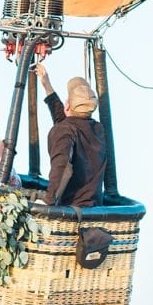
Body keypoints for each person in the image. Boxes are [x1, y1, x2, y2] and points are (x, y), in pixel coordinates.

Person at [33, 63, 107, 207]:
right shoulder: (98, 130)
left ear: (67, 105)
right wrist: (46, 84)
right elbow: (66, 120)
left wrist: (48, 200)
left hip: (71, 209)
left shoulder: (64, 130)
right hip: (93, 207)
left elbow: (62, 167)